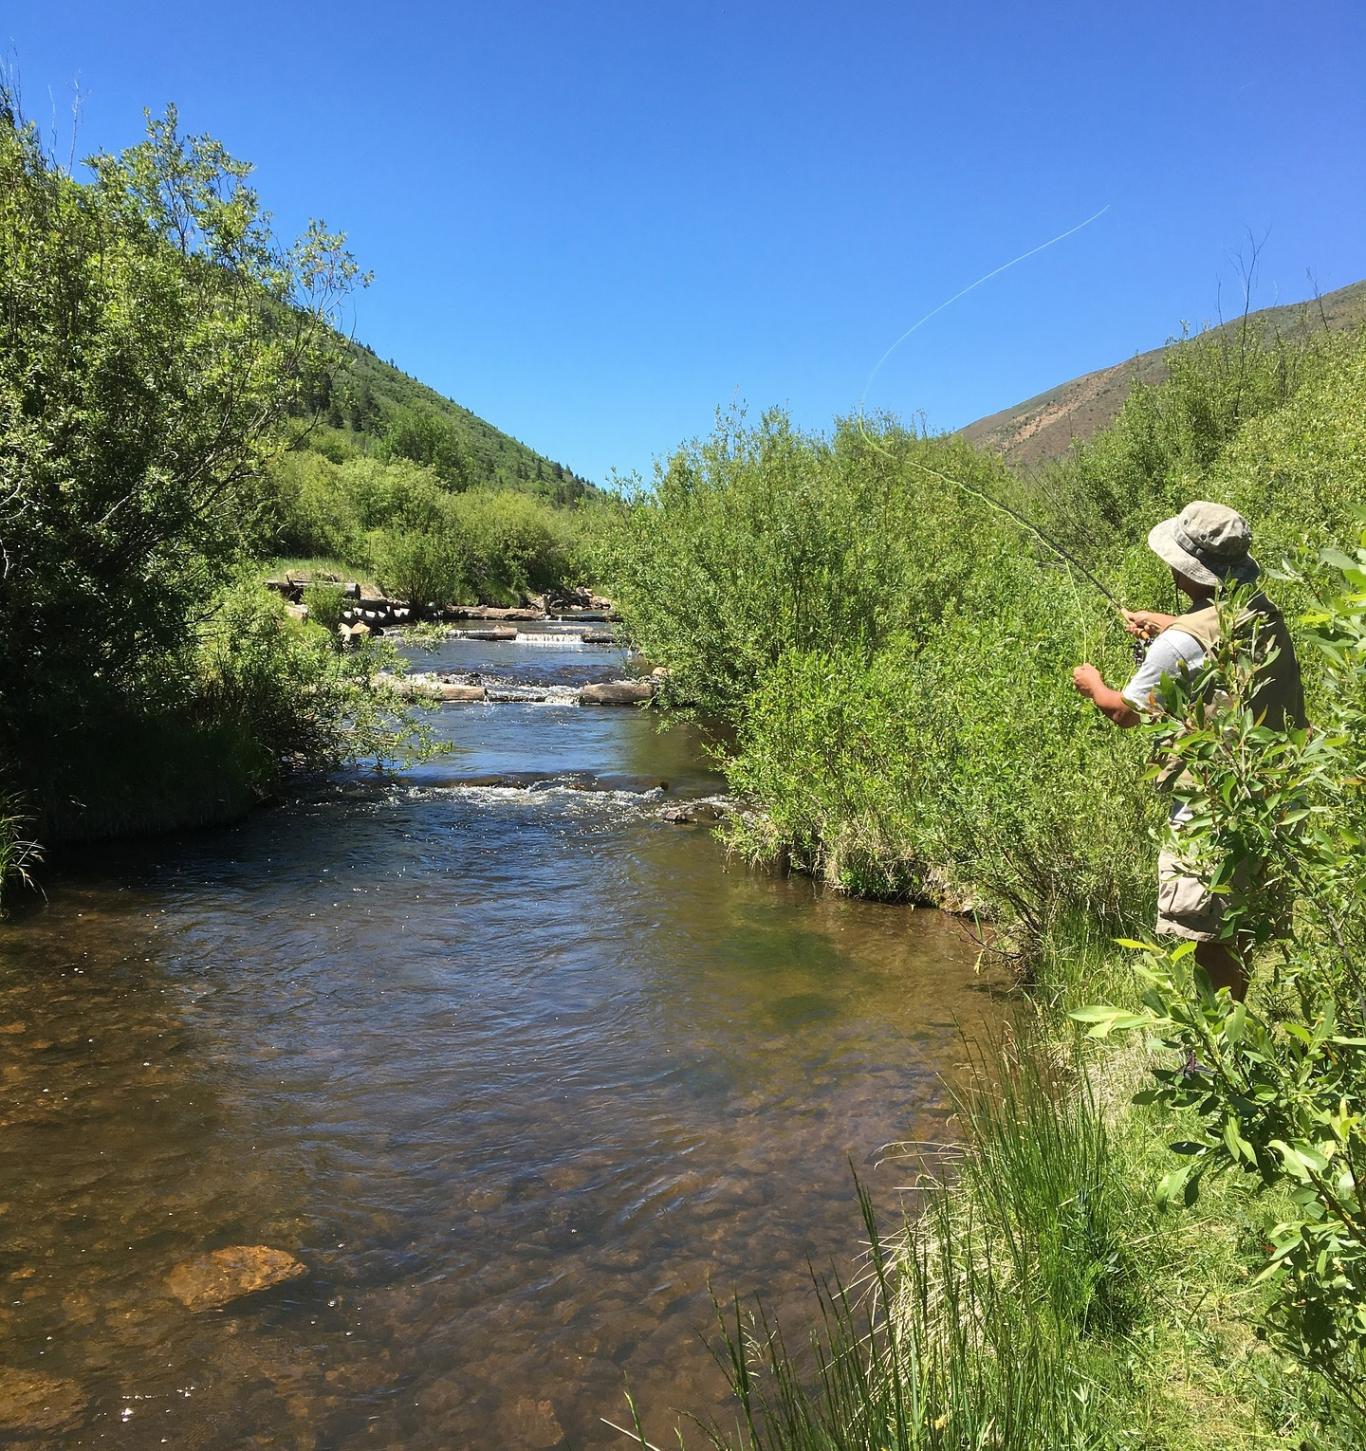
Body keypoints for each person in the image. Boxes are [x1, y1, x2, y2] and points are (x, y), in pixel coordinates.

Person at [1070, 501, 1305, 1001]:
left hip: (1211, 808)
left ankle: (1218, 1049)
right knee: (1239, 924)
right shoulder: (1261, 612)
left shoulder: (1180, 643)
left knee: (1204, 935)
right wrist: (1172, 624)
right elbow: (1215, 629)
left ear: (1187, 568)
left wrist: (1092, 685)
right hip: (1271, 799)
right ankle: (1239, 1034)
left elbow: (1124, 712)